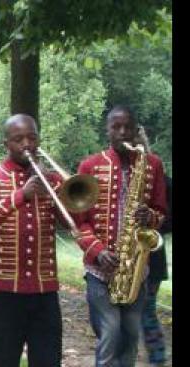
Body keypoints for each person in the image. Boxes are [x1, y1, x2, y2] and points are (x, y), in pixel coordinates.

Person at [75, 106, 167, 367]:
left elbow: (161, 212)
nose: (122, 132)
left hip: (136, 269)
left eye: (128, 126)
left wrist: (148, 216)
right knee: (110, 334)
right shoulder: (90, 165)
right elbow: (78, 223)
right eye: (116, 127)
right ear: (107, 130)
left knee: (130, 337)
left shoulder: (153, 164)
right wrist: (97, 251)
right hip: (99, 270)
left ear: (136, 128)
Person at [0, 114, 65, 367]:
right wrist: (20, 195)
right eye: (18, 139)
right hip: (4, 291)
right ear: (6, 144)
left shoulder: (53, 180)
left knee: (48, 360)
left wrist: (58, 190)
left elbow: (73, 222)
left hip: (44, 289)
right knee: (4, 360)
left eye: (32, 138)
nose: (26, 144)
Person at [141, 174, 170, 366]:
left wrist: (151, 219)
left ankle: (157, 359)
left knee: (146, 311)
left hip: (151, 258)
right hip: (118, 259)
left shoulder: (163, 181)